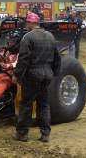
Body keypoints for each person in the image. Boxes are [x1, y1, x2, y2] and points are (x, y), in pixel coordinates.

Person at [13, 13, 61, 142]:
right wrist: (54, 73)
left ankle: (22, 133)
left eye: (26, 23)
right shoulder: (50, 36)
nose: (26, 26)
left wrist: (17, 75)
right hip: (47, 75)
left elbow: (23, 59)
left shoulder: (27, 37)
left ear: (30, 23)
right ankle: (45, 134)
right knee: (43, 104)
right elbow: (57, 58)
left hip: (32, 75)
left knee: (26, 104)